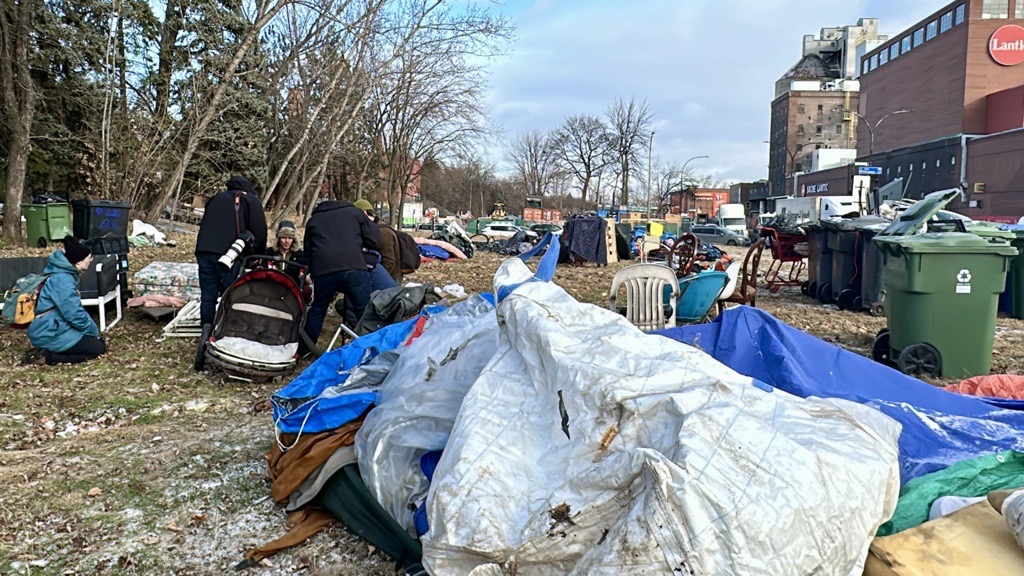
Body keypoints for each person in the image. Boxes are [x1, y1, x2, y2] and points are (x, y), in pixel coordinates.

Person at [303, 197, 382, 344]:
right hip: (353, 265)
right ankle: (372, 346)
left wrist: (313, 272)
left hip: (324, 269)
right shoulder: (355, 214)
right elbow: (376, 241)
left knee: (318, 308)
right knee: (363, 310)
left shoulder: (314, 220)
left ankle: (306, 348)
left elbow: (307, 252)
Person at [194, 175, 267, 326]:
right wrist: (258, 254)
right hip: (230, 253)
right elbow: (259, 230)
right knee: (231, 294)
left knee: (208, 295)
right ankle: (228, 330)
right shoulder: (249, 199)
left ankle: (206, 330)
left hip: (204, 250)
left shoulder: (215, 199)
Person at [23, 237, 107, 366]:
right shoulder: (62, 280)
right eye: (89, 257)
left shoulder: (61, 273)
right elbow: (74, 313)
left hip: (53, 326)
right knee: (97, 348)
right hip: (48, 331)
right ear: (78, 262)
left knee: (95, 344)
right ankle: (48, 357)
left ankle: (47, 352)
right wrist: (93, 332)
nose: (91, 260)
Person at [354, 199, 400, 289]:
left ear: (364, 213)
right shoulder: (373, 229)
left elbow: (389, 262)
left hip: (388, 279)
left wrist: (381, 280)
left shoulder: (382, 232)